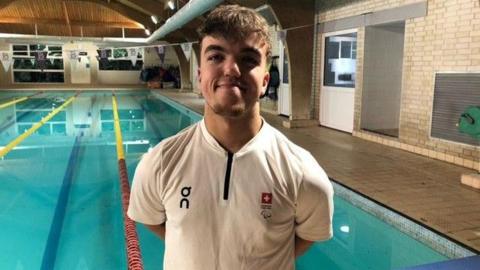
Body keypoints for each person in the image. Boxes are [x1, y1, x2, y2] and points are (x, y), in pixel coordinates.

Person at [127, 4, 333, 270]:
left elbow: (307, 236)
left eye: (248, 59)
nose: (231, 69)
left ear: (265, 81)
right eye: (215, 57)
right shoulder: (160, 162)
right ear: (200, 75)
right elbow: (150, 218)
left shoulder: (303, 174)